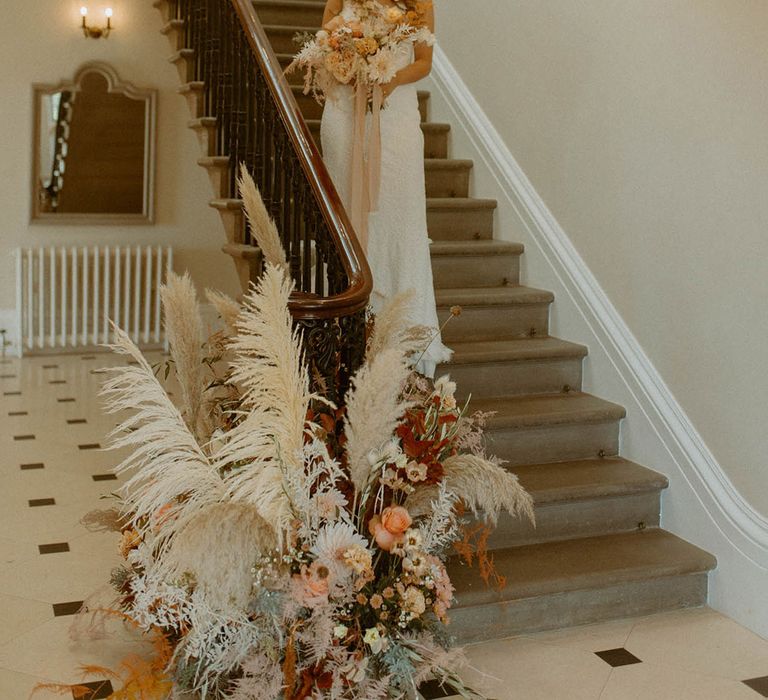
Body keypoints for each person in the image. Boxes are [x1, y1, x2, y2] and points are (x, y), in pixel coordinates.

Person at [319, 0, 452, 378]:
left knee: (396, 218)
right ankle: (347, 322)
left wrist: (390, 79)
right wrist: (343, 63)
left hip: (393, 115)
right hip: (344, 110)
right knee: (345, 212)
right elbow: (325, 36)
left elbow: (423, 62)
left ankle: (401, 335)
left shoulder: (420, 3)